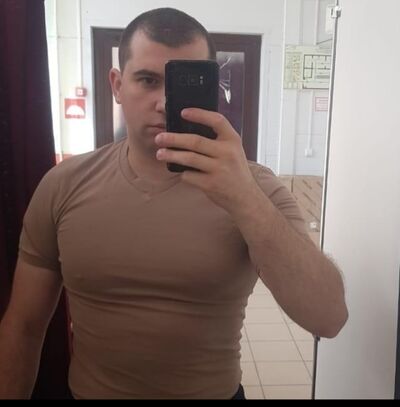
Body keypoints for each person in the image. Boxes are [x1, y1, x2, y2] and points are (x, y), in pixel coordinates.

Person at [0, 7, 348, 400]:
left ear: (212, 89)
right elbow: (24, 326)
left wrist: (244, 199)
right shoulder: (63, 185)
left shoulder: (255, 188)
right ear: (117, 85)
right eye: (147, 80)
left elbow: (329, 317)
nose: (164, 103)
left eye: (186, 83)